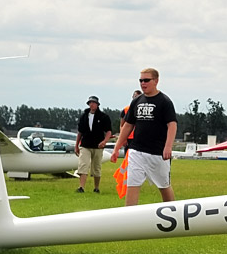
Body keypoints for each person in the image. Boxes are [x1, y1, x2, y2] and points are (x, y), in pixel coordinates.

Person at [110, 69, 177, 207]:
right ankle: (130, 217)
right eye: (141, 80)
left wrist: (168, 146)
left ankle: (173, 212)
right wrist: (116, 147)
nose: (143, 83)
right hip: (136, 151)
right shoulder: (136, 102)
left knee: (164, 185)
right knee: (132, 183)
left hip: (157, 153)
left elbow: (172, 124)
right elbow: (128, 125)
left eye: (146, 80)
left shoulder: (164, 101)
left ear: (156, 81)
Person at [75, 95, 112, 194]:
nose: (92, 104)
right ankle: (81, 187)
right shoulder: (84, 116)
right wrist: (77, 145)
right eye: (90, 103)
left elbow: (108, 131)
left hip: (98, 145)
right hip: (85, 144)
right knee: (83, 165)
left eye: (94, 103)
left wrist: (104, 141)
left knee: (96, 167)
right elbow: (80, 132)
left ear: (97, 104)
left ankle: (96, 187)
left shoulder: (103, 117)